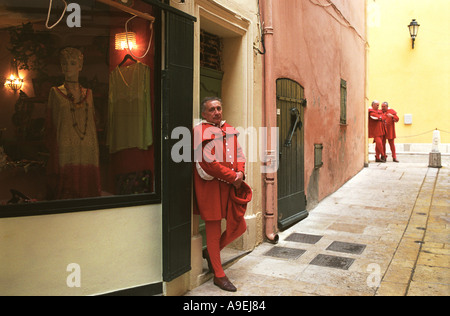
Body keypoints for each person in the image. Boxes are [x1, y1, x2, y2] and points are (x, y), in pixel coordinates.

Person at [193, 97, 251, 292]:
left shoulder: (230, 129)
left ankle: (211, 253)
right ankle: (219, 275)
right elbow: (209, 163)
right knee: (213, 229)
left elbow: (240, 154)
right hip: (210, 189)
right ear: (204, 114)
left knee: (239, 225)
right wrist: (234, 176)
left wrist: (241, 173)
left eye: (218, 108)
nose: (217, 112)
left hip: (229, 186)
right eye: (212, 109)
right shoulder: (199, 132)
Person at [46, 47, 101, 199]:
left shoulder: (89, 94)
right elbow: (50, 124)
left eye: (72, 63)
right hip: (65, 147)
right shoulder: (55, 93)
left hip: (87, 148)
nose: (67, 67)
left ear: (80, 66)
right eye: (64, 63)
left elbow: (92, 122)